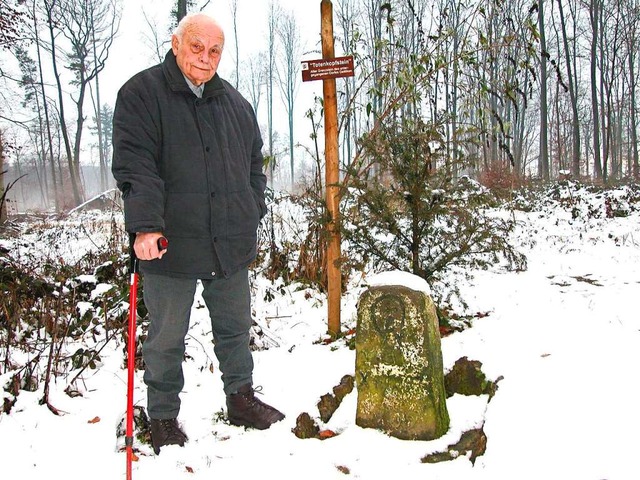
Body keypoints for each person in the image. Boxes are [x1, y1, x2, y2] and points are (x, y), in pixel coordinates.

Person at [112, 13, 284, 455]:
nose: (205, 59)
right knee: (167, 335)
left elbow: (253, 167)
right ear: (176, 43)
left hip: (228, 240)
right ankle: (164, 416)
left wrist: (251, 210)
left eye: (214, 51)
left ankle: (241, 399)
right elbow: (136, 165)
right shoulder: (142, 94)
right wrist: (146, 225)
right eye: (196, 47)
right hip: (169, 243)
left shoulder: (235, 104)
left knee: (234, 326)